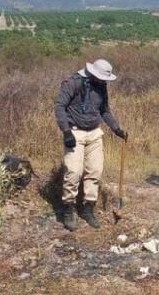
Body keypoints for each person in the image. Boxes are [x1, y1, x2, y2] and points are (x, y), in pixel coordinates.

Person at [54, 59, 127, 231]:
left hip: (94, 132)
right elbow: (59, 106)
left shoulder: (101, 86)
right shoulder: (73, 82)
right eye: (102, 78)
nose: (105, 82)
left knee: (94, 171)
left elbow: (105, 111)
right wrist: (66, 131)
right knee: (73, 172)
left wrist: (117, 129)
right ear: (93, 73)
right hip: (74, 131)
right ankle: (69, 208)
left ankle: (88, 208)